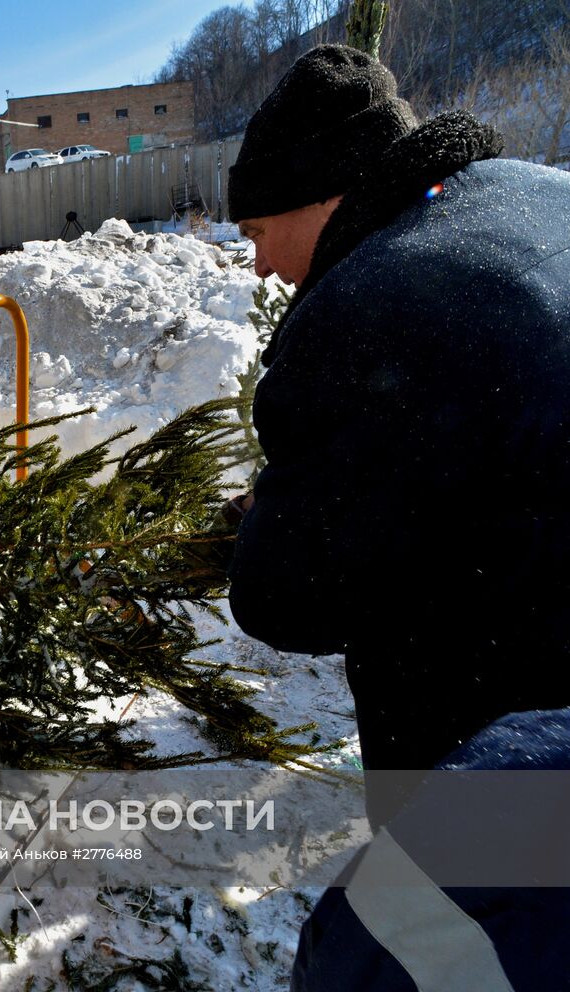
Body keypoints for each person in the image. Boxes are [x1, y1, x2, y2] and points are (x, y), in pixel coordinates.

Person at [223, 42, 570, 990]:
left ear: (325, 197)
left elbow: (283, 595)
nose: (258, 266)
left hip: (517, 725)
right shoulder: (541, 190)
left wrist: (271, 516)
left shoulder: (369, 307)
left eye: (258, 230)